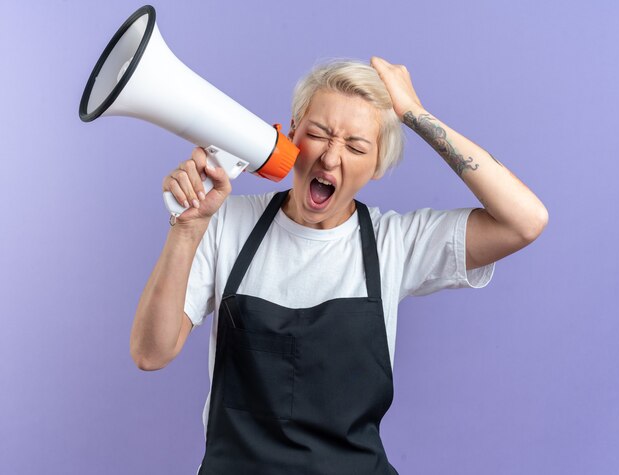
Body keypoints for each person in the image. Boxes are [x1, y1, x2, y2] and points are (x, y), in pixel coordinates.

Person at [130, 56, 548, 474]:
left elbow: (525, 221)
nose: (330, 158)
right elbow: (151, 353)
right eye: (318, 134)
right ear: (292, 133)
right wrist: (186, 230)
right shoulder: (225, 223)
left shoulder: (394, 244)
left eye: (356, 146)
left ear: (378, 164)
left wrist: (415, 115)